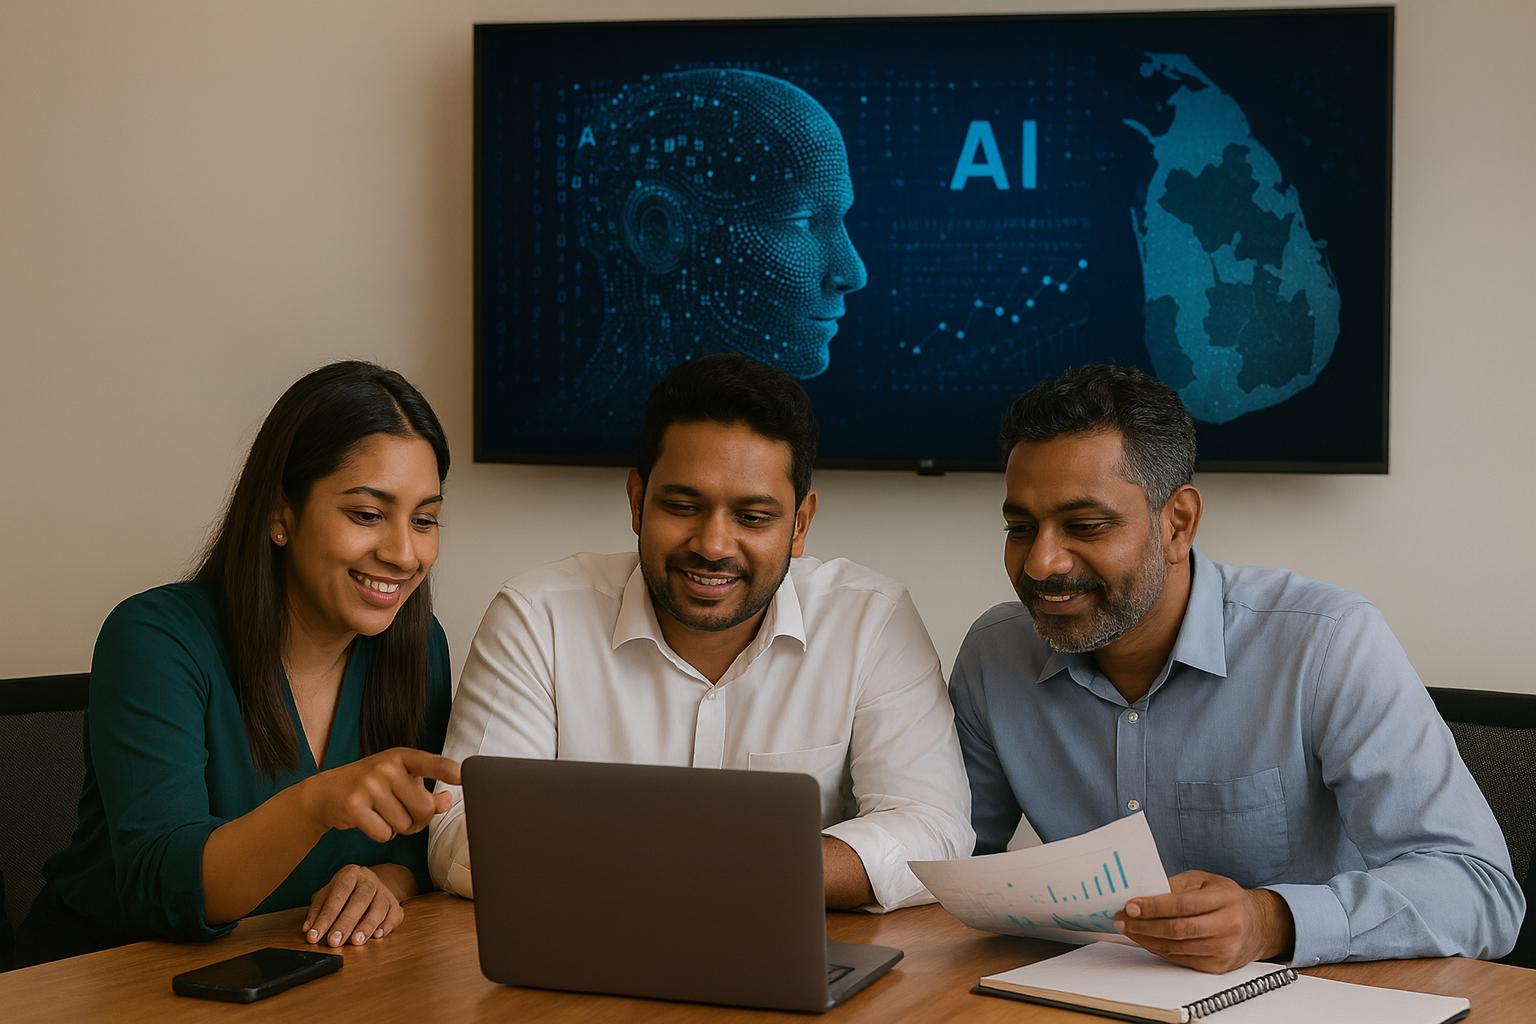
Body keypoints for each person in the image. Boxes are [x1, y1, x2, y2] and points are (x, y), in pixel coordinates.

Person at [949, 364, 1523, 971]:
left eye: (1085, 526)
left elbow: (1481, 893)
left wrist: (1270, 920)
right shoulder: (997, 653)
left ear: (1179, 524)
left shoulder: (1326, 643)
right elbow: (953, 859)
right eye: (1019, 528)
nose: (1041, 563)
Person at [429, 353, 971, 910]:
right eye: (684, 506)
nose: (713, 545)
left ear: (800, 524)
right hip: (587, 955)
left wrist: (716, 870)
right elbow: (460, 827)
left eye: (753, 517)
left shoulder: (870, 619)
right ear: (638, 502)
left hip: (788, 959)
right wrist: (696, 867)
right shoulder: (537, 616)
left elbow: (934, 831)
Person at [16, 362, 461, 967]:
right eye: (366, 514)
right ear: (281, 513)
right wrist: (313, 804)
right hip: (103, 976)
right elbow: (163, 886)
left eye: (425, 520)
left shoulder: (416, 645)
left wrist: (385, 882)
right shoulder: (154, 638)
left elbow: (418, 846)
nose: (404, 553)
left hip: (292, 974)